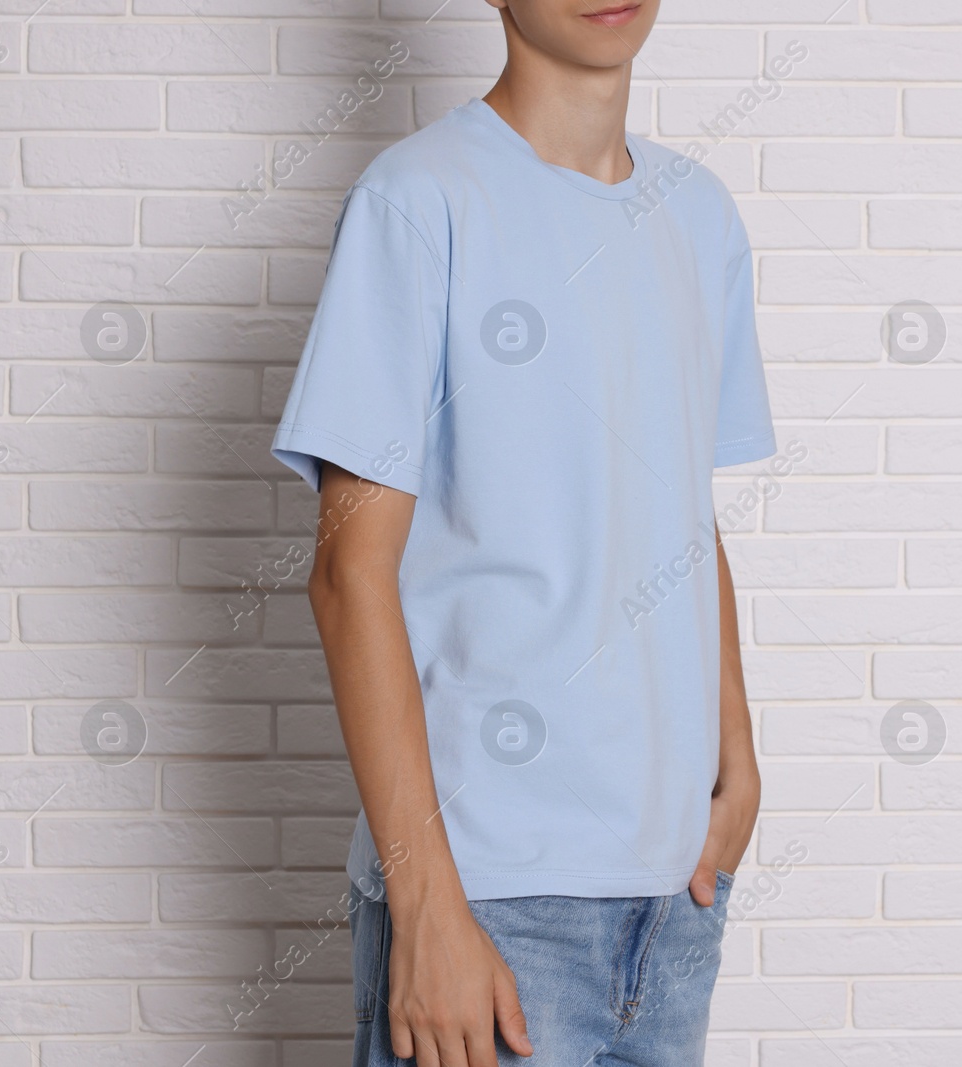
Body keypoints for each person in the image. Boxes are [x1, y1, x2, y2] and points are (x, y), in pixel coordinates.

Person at [269, 1, 775, 1064]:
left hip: (671, 902)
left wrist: (737, 756)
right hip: (489, 902)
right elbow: (346, 572)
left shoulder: (701, 216)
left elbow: (680, 506)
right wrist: (428, 907)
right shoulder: (417, 202)